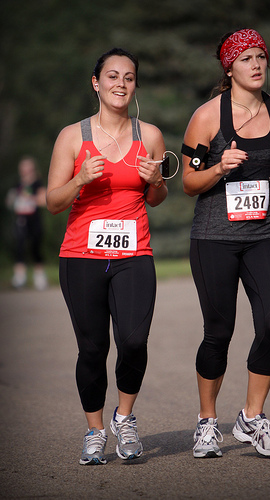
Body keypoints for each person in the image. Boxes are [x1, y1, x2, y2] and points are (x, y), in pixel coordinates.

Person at [182, 28, 270, 459]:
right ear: (229, 67)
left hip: (265, 235)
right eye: (246, 58)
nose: (256, 65)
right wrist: (219, 167)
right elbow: (189, 182)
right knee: (218, 333)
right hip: (214, 238)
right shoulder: (207, 116)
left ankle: (252, 418)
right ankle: (207, 423)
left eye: (261, 57)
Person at [46, 48, 168, 465]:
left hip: (135, 252)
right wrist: (79, 178)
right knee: (93, 348)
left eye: (129, 77)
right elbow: (53, 202)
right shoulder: (71, 136)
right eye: (112, 76)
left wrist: (155, 182)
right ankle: (95, 430)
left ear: (135, 85)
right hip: (81, 254)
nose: (120, 83)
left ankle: (125, 418)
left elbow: (157, 197)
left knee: (134, 341)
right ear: (96, 83)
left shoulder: (148, 135)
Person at [6, 156, 48, 290]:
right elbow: (10, 201)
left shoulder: (37, 183)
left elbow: (43, 201)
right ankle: (19, 277)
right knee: (19, 246)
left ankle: (39, 277)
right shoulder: (17, 184)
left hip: (34, 219)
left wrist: (30, 197)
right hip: (21, 220)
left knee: (35, 247)